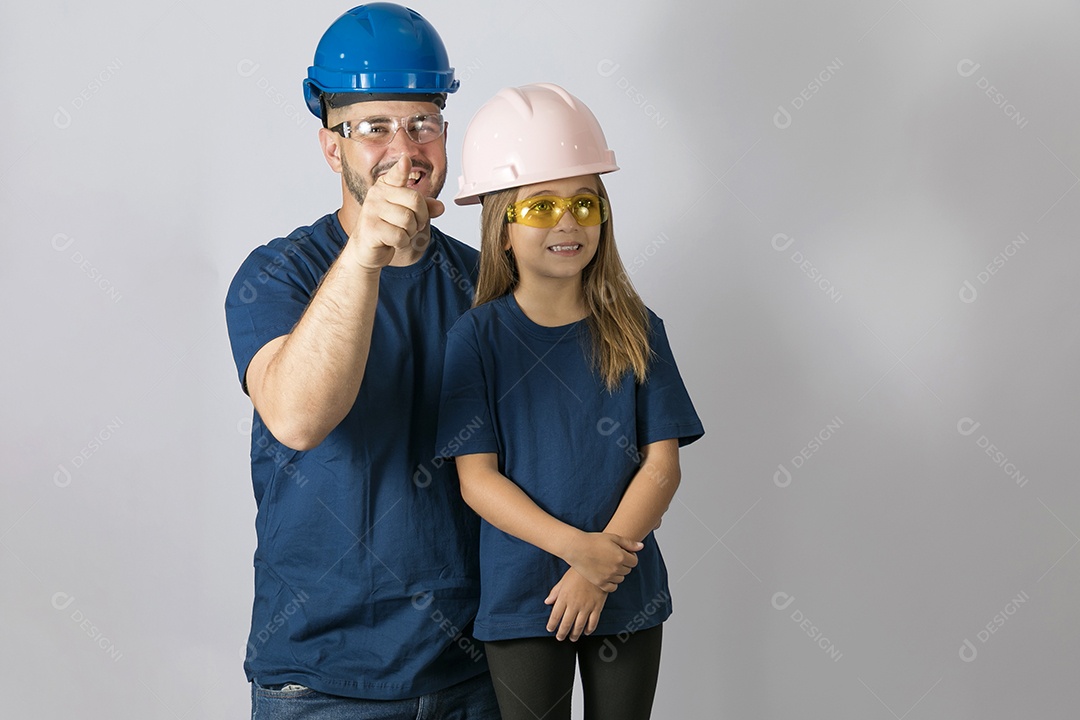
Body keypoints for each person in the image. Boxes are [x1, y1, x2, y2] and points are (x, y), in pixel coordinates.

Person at [224, 4, 499, 717]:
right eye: (374, 126)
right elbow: (297, 418)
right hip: (321, 681)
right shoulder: (277, 274)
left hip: (475, 670)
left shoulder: (486, 283)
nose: (404, 150)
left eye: (423, 123)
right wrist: (365, 255)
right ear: (331, 147)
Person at [436, 83, 704, 720]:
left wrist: (598, 566)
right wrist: (575, 551)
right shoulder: (476, 338)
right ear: (502, 231)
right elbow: (477, 479)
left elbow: (662, 467)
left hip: (624, 584)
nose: (568, 222)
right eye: (542, 207)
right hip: (522, 598)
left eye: (585, 203)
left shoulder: (637, 327)